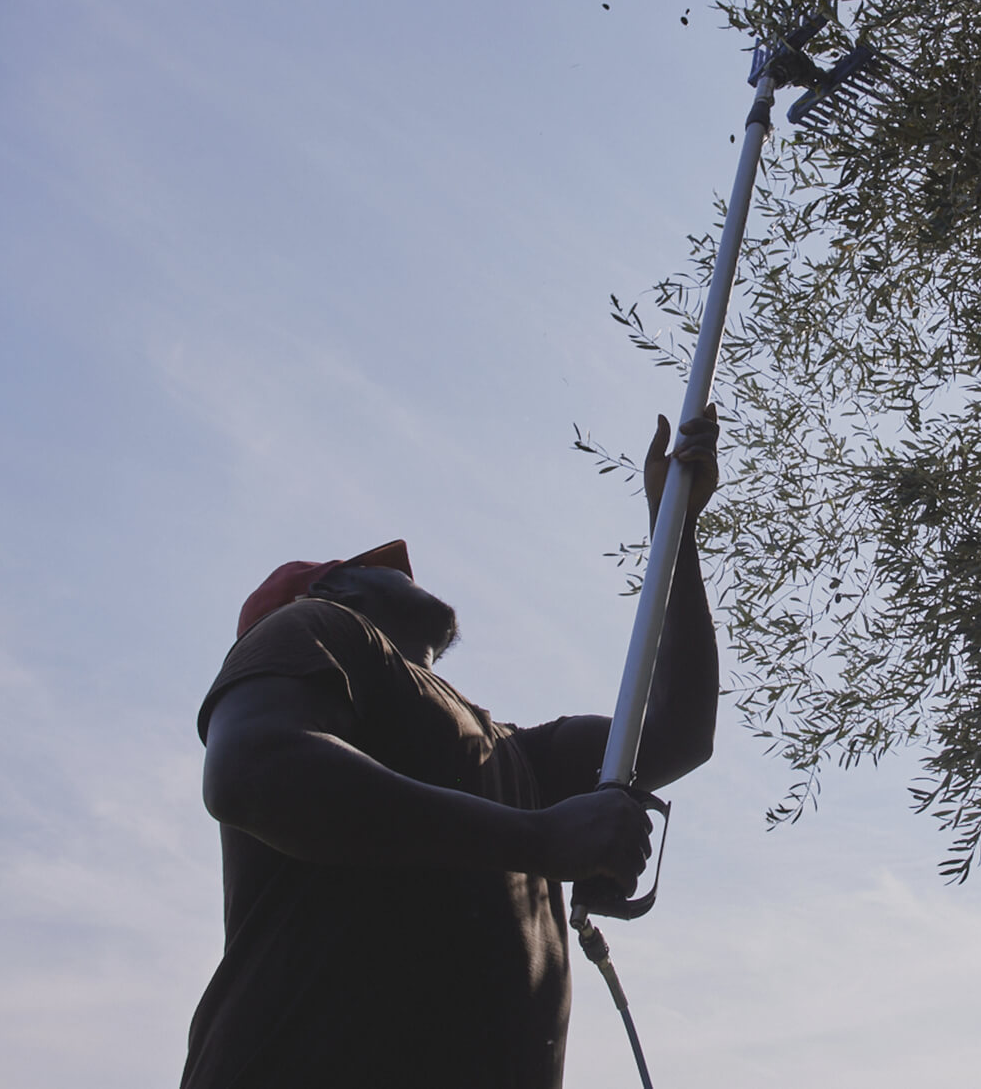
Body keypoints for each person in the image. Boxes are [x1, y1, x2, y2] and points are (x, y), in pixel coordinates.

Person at [180, 410, 721, 1089]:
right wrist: (540, 839)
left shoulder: (511, 757)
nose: (405, 568)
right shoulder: (311, 627)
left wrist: (676, 530)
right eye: (375, 566)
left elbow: (678, 730)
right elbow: (252, 769)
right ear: (328, 590)